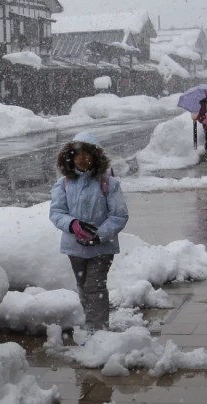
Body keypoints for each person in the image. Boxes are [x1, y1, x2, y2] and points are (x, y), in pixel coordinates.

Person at [49, 132, 129, 333]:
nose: (83, 159)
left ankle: (98, 331)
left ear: (96, 158)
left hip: (102, 247)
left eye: (88, 155)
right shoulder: (64, 184)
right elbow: (57, 212)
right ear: (70, 158)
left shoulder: (108, 183)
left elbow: (119, 215)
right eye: (78, 155)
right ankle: (92, 323)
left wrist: (98, 234)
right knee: (84, 287)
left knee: (95, 287)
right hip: (74, 247)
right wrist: (72, 224)